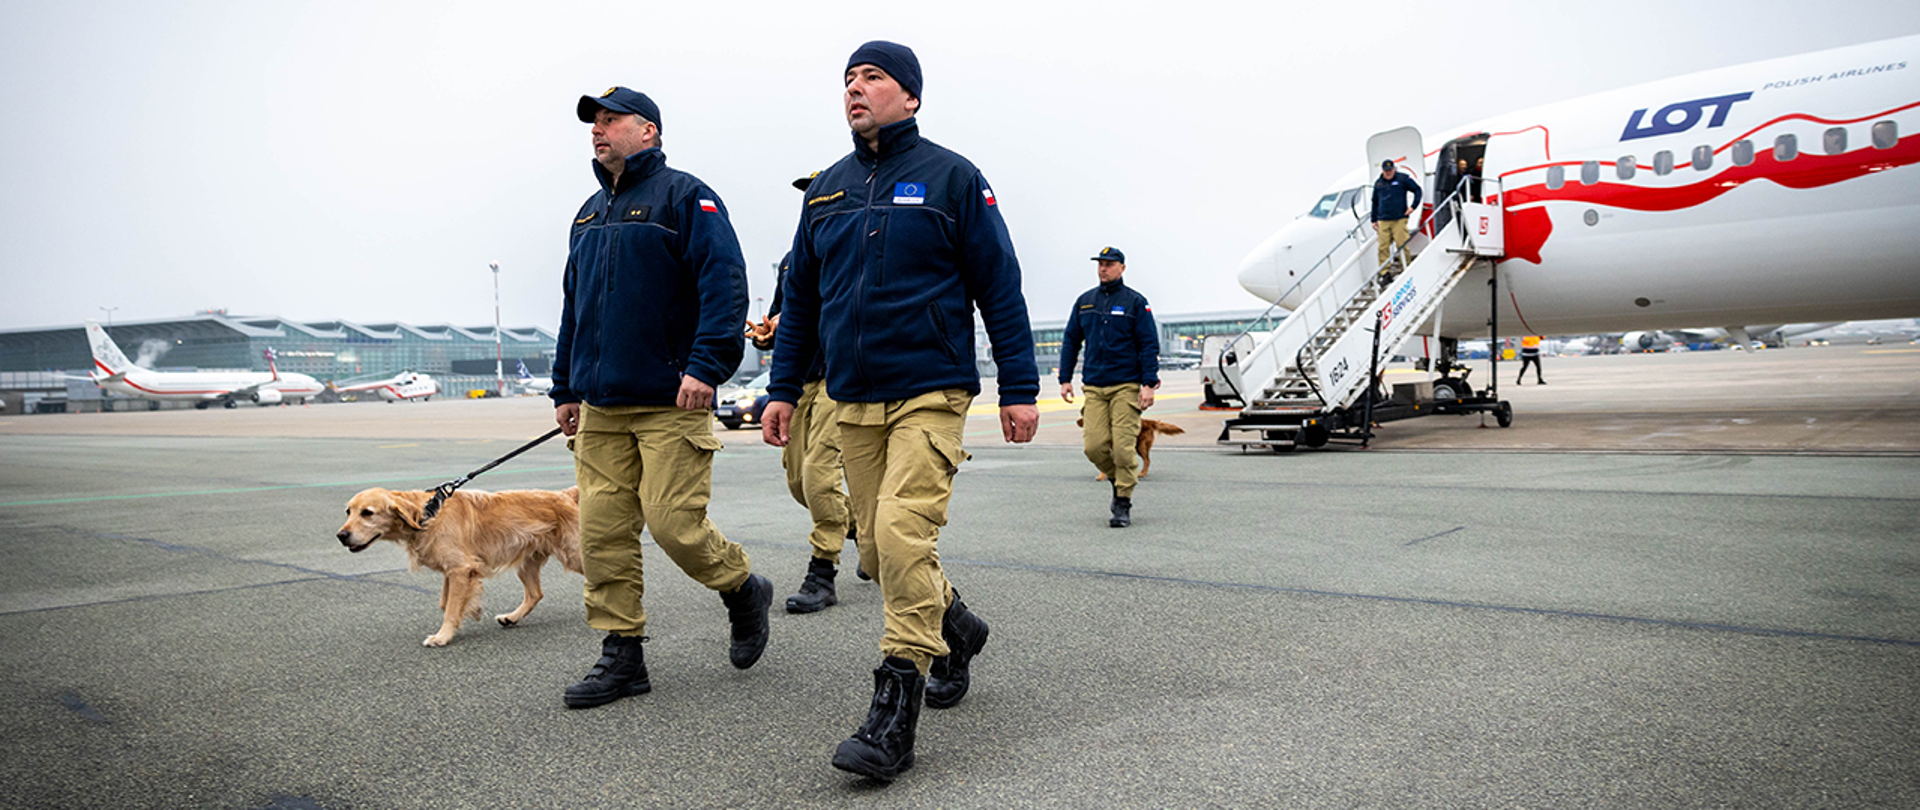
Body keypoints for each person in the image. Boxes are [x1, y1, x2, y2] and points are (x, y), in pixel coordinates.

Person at [762, 40, 1041, 782]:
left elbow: (999, 288)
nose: (856, 89)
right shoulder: (825, 190)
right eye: (848, 79)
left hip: (931, 388)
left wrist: (1020, 386)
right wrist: (782, 390)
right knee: (879, 550)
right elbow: (802, 307)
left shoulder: (953, 178)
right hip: (852, 397)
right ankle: (959, 627)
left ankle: (894, 714)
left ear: (910, 96)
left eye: (873, 78)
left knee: (900, 529)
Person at [551, 86, 772, 710]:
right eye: (594, 122)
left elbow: (725, 287)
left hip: (673, 401)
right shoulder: (589, 213)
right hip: (600, 408)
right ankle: (622, 654)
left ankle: (741, 588)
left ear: (648, 131)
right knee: (601, 535)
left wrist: (707, 367)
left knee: (674, 525)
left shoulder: (687, 197)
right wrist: (565, 385)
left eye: (612, 119)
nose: (599, 130)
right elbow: (575, 309)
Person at [760, 171, 860, 614]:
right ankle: (860, 524)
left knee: (820, 477)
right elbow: (788, 321)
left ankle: (822, 572)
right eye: (806, 197)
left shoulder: (855, 248)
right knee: (800, 483)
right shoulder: (791, 260)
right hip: (802, 383)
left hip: (841, 380)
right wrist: (769, 335)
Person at [1058, 246, 1161, 528]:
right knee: (1093, 447)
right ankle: (1118, 479)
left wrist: (1148, 383)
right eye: (1101, 264)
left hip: (1126, 386)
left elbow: (1148, 344)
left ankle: (1122, 501)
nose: (1103, 268)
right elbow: (1071, 340)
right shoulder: (1085, 302)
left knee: (1124, 448)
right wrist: (1065, 378)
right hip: (1094, 387)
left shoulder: (1135, 302)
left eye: (1109, 264)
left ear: (1122, 268)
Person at [1373, 159, 1423, 283]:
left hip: (1399, 218)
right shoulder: (1379, 183)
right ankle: (1385, 273)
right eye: (1386, 171)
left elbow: (1418, 190)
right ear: (1382, 171)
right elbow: (1375, 201)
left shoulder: (1403, 179)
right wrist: (1374, 219)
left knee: (1402, 244)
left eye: (1390, 170)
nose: (1388, 173)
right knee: (1383, 247)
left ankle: (1406, 267)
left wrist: (1413, 206)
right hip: (1383, 219)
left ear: (1394, 169)